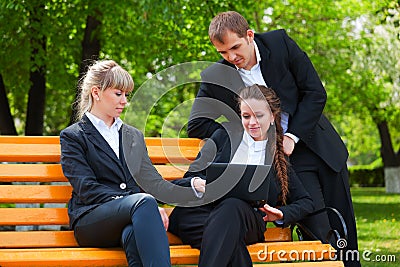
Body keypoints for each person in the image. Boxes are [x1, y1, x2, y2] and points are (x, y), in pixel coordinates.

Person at [187, 11, 359, 267]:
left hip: (318, 147)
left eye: (235, 47)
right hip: (285, 163)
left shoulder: (279, 44)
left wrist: (291, 135)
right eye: (223, 52)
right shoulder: (216, 76)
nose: (232, 57)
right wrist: (244, 132)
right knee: (320, 233)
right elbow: (196, 125)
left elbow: (315, 93)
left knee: (344, 230)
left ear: (249, 35)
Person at [169, 84, 314, 267]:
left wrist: (280, 214)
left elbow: (306, 202)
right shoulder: (223, 137)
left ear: (272, 117)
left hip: (248, 221)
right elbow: (186, 180)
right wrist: (198, 183)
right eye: (246, 116)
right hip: (201, 214)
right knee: (226, 238)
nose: (252, 122)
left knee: (231, 207)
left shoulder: (277, 157)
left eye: (258, 116)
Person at [60, 60, 171, 267]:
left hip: (129, 219)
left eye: (126, 95)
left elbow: (150, 181)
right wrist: (137, 201)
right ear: (96, 92)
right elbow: (87, 188)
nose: (125, 101)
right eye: (118, 94)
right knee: (144, 203)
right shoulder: (73, 136)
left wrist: (191, 185)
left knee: (132, 235)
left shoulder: (133, 136)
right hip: (91, 219)